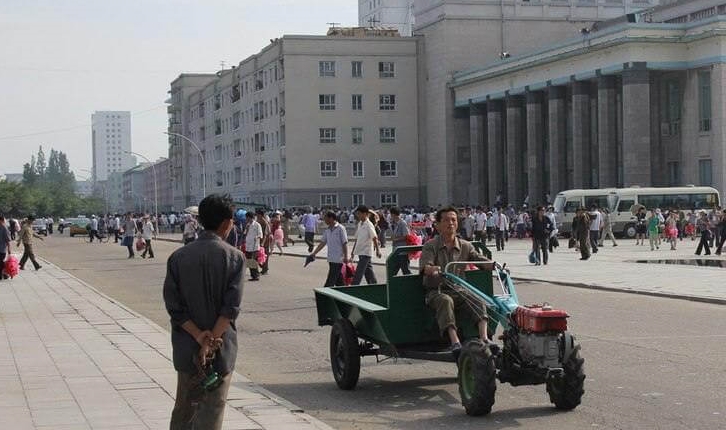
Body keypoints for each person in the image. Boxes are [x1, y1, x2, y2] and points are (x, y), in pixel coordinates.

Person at [163, 194, 243, 430]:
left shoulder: (178, 257)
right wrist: (210, 342)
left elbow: (174, 307)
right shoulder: (234, 257)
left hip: (187, 346)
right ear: (227, 223)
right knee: (212, 410)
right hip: (220, 349)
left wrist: (199, 336)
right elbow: (231, 308)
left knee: (185, 408)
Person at [420, 206, 494, 358]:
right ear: (438, 225)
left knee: (477, 300)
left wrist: (494, 265)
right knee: (445, 301)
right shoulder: (431, 245)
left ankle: (484, 338)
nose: (451, 223)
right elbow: (424, 267)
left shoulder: (465, 246)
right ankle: (455, 341)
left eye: (453, 220)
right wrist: (433, 269)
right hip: (437, 291)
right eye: (446, 220)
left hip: (459, 290)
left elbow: (478, 260)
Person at [309, 211, 349, 287]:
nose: (325, 221)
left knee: (330, 280)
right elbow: (322, 243)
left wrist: (346, 256)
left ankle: (324, 296)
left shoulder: (340, 228)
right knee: (339, 280)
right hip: (331, 258)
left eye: (326, 218)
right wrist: (314, 253)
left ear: (331, 218)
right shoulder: (327, 230)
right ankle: (345, 293)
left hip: (338, 259)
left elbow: (345, 243)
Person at [350, 205, 382, 285]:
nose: (358, 216)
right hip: (360, 251)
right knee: (368, 271)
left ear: (365, 214)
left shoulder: (369, 224)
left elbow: (374, 238)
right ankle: (373, 285)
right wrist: (353, 252)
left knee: (359, 272)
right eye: (357, 214)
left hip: (366, 252)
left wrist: (378, 250)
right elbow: (357, 239)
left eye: (359, 214)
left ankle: (354, 286)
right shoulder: (360, 223)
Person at [389, 207, 411, 275]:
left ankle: (412, 283)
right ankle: (392, 284)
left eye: (391, 214)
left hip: (402, 251)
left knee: (405, 270)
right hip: (396, 250)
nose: (390, 216)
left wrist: (396, 239)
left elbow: (406, 236)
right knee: (393, 270)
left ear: (394, 214)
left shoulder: (402, 223)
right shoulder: (393, 223)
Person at [244, 212, 262, 281]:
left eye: (247, 217)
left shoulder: (257, 225)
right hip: (248, 245)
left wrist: (257, 237)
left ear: (250, 217)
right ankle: (253, 275)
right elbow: (245, 233)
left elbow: (260, 234)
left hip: (254, 246)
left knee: (253, 260)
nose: (246, 219)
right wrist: (247, 228)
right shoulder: (247, 225)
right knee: (249, 260)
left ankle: (256, 275)